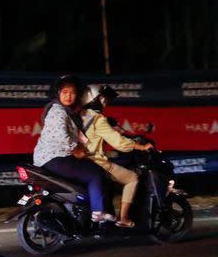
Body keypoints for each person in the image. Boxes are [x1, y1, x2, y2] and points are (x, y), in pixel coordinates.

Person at [33, 75, 112, 223]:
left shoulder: (67, 111)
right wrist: (76, 150)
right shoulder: (58, 111)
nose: (68, 96)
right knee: (95, 174)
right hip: (56, 158)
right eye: (65, 92)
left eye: (72, 92)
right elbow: (61, 136)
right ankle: (98, 214)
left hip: (50, 158)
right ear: (58, 93)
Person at [81, 85, 153, 228]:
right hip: (96, 162)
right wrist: (141, 146)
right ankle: (123, 218)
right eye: (104, 100)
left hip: (80, 162)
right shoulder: (97, 119)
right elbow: (119, 143)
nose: (106, 103)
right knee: (132, 178)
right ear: (96, 99)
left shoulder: (81, 115)